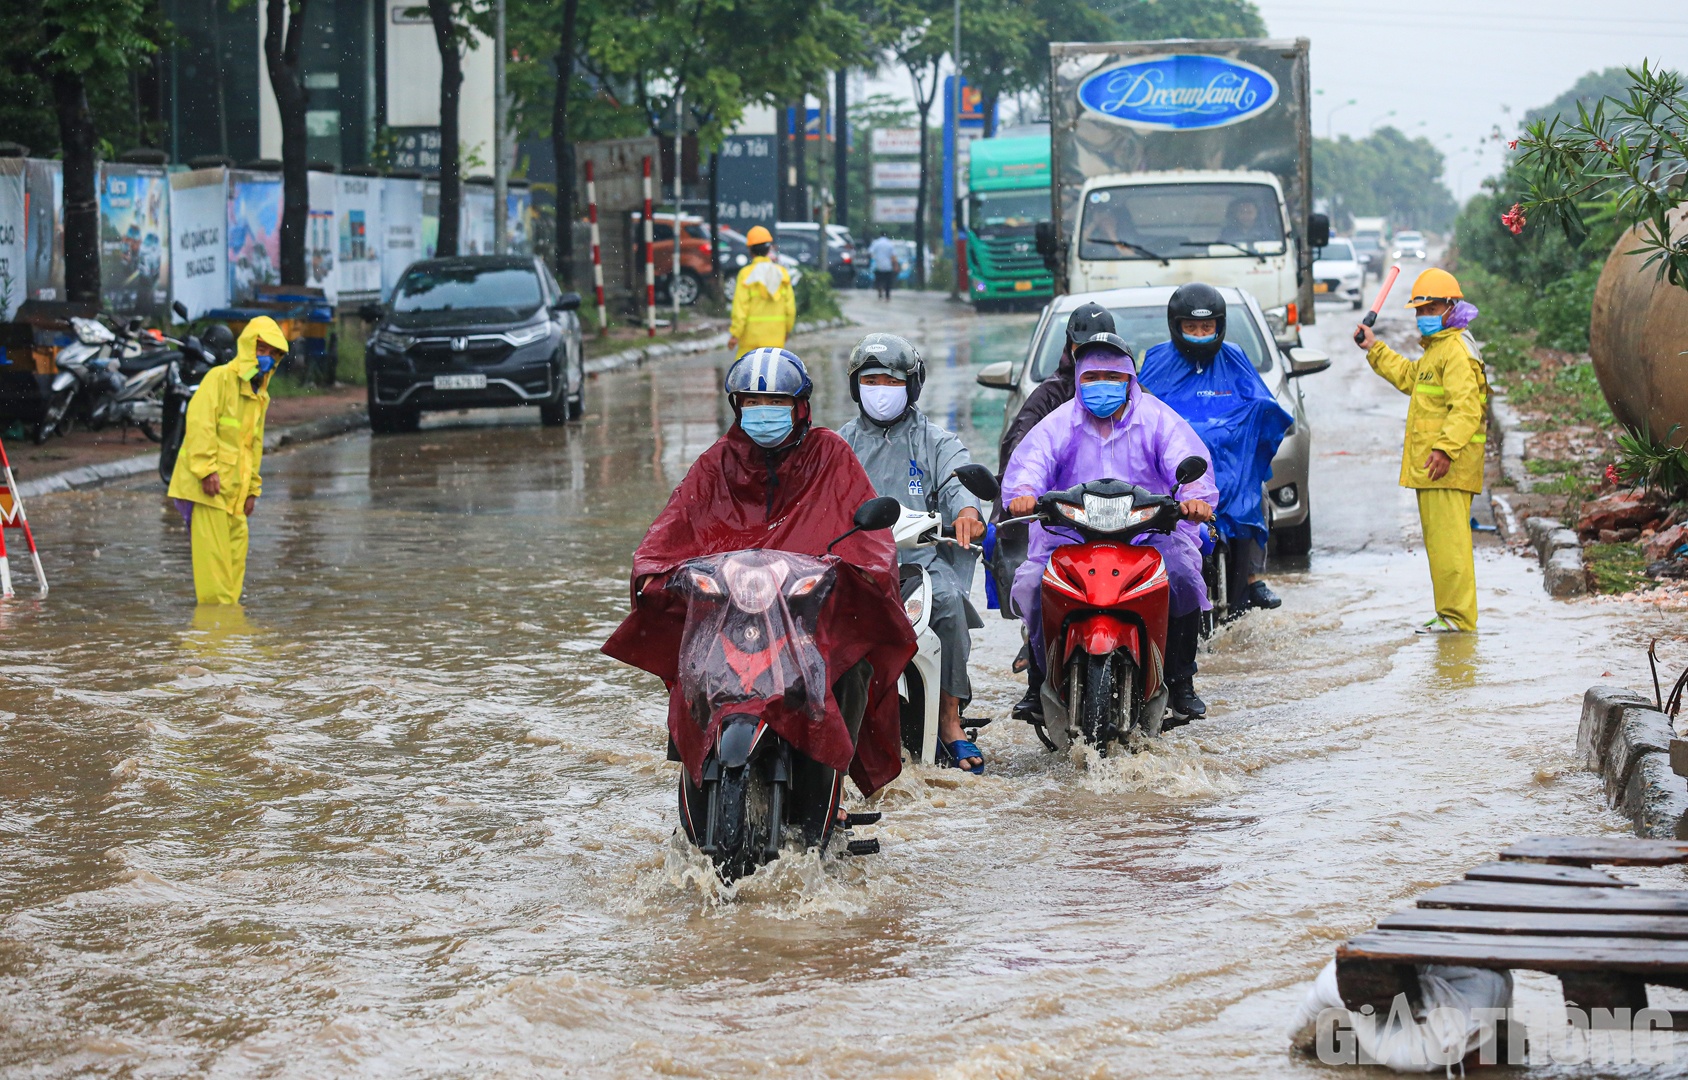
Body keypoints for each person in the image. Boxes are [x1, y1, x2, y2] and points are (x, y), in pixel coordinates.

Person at [602, 348, 916, 803]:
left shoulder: (831, 455)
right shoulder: (716, 464)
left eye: (776, 404)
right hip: (730, 615)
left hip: (809, 616)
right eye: (752, 403)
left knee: (852, 666)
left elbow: (868, 541)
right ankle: (691, 779)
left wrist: (854, 573)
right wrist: (655, 571)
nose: (763, 413)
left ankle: (834, 783)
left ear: (800, 406)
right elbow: (674, 527)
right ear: (736, 407)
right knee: (690, 669)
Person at [1002, 333, 1219, 723]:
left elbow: (1184, 455)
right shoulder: (1058, 423)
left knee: (1184, 576)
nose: (1101, 384)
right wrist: (1023, 492)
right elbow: (1032, 461)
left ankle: (1181, 680)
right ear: (1079, 379)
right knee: (1033, 585)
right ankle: (1038, 682)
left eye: (1112, 376)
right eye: (1092, 376)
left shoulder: (1156, 418)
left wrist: (1194, 494)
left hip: (1149, 534)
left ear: (1129, 380)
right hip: (1068, 535)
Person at [838, 333, 987, 773]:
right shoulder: (837, 445)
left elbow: (960, 479)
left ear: (912, 385)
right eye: (871, 380)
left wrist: (965, 511)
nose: (880, 389)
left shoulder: (934, 440)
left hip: (920, 563)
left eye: (890, 380)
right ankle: (830, 728)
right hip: (856, 566)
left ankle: (949, 720)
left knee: (948, 604)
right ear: (855, 386)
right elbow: (816, 496)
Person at [1138, 283, 1294, 612]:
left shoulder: (1234, 357)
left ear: (1219, 326)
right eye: (1191, 327)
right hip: (1176, 468)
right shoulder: (1157, 359)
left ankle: (1253, 579)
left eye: (1207, 327)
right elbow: (1142, 407)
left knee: (1257, 495)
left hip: (1231, 461)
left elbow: (1261, 402)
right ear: (1176, 325)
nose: (1199, 334)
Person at [1354, 267, 1489, 633]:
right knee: (1442, 547)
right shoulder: (1439, 349)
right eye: (1419, 310)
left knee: (1451, 548)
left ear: (1450, 307)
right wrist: (1374, 348)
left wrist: (1445, 450)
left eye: (1430, 309)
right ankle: (1450, 616)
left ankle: (1458, 621)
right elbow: (1411, 378)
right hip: (1438, 467)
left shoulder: (1456, 352)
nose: (1422, 317)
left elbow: (1467, 409)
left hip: (1448, 466)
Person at [166, 316, 288, 605]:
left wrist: (252, 491)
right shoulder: (219, 379)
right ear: (248, 346)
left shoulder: (259, 395)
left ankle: (230, 641)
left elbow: (252, 446)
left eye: (274, 354)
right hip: (209, 492)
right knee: (215, 583)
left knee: (233, 576)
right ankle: (213, 642)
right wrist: (207, 470)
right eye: (262, 349)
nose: (266, 358)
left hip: (235, 497)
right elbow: (200, 425)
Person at [997, 301, 1116, 471]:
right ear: (1070, 346)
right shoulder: (1049, 396)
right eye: (1082, 348)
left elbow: (1164, 442)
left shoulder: (1132, 393)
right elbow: (1019, 452)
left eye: (1098, 348)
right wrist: (1022, 488)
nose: (1089, 357)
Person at [728, 225, 795, 356]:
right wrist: (787, 330)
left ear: (750, 250)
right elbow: (790, 309)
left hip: (750, 343)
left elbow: (740, 309)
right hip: (776, 342)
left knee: (744, 375)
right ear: (769, 248)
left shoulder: (746, 275)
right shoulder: (781, 274)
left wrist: (735, 335)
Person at [868, 232, 899, 300]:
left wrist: (874, 259)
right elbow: (893, 256)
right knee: (888, 281)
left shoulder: (876, 243)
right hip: (888, 266)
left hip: (878, 265)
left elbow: (870, 253)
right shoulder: (890, 244)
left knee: (879, 280)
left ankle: (879, 291)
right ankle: (887, 296)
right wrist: (896, 266)